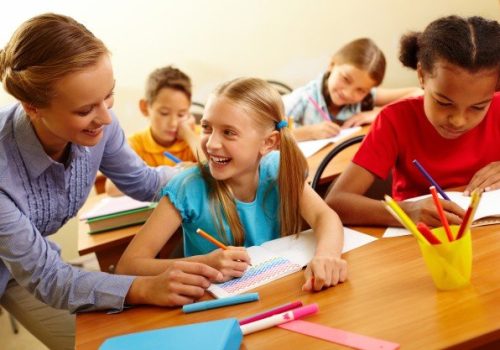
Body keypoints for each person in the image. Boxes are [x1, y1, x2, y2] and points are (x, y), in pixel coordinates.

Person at [0, 13, 222, 350]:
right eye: (85, 109)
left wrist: (214, 169)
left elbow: (143, 181)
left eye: (109, 96)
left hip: (30, 264)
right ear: (33, 107)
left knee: (123, 333)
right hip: (29, 272)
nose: (105, 117)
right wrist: (144, 286)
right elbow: (48, 278)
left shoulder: (99, 122)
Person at [115, 78, 348, 292]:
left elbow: (324, 217)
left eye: (228, 132)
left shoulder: (278, 168)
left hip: (280, 290)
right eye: (206, 128)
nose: (212, 143)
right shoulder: (187, 187)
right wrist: (204, 263)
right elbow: (128, 266)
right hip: (214, 306)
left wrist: (327, 256)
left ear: (268, 143)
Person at [326, 15, 500, 228]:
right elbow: (336, 201)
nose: (458, 120)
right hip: (419, 243)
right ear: (421, 75)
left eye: (478, 107)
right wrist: (406, 212)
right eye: (444, 102)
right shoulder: (395, 120)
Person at [284, 38, 422, 141]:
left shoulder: (367, 97)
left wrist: (379, 113)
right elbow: (268, 136)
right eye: (345, 79)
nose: (348, 93)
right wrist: (309, 132)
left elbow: (418, 94)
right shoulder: (303, 98)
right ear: (332, 64)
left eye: (361, 90)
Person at [105, 65, 201, 195]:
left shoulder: (197, 138)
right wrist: (180, 173)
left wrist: (189, 135)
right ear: (145, 107)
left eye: (181, 114)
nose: (173, 123)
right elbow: (111, 189)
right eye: (164, 113)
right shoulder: (136, 143)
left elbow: (215, 169)